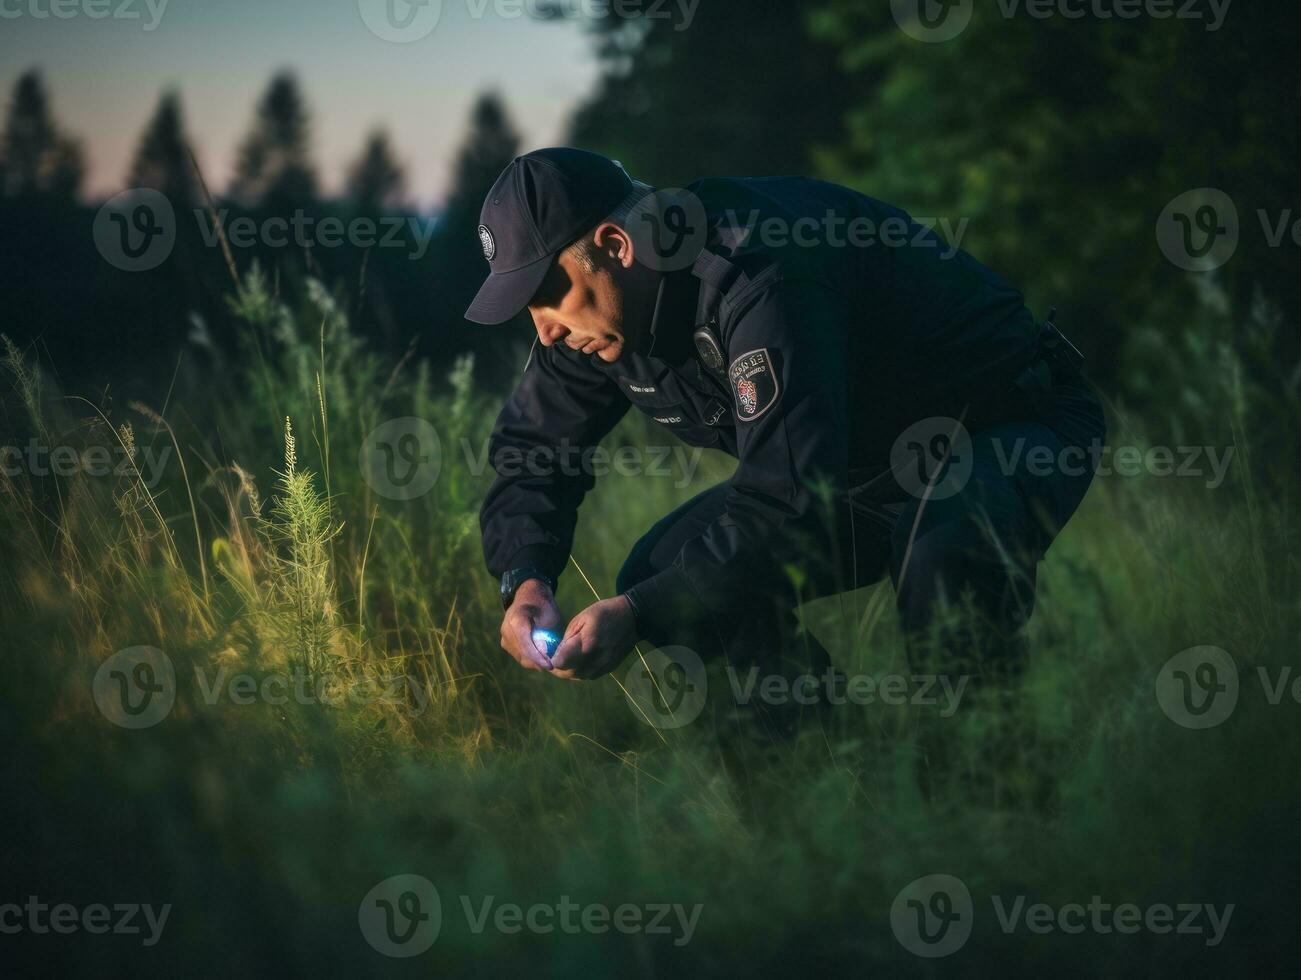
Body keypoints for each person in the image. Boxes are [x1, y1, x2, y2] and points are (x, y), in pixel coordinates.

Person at [468, 147, 1105, 719]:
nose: (544, 329)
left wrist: (636, 616)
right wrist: (527, 577)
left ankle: (997, 801)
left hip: (1008, 421)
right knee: (661, 575)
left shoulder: (756, 270)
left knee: (939, 558)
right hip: (857, 466)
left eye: (547, 295)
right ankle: (831, 783)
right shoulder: (591, 319)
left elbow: (786, 498)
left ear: (616, 246)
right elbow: (532, 454)